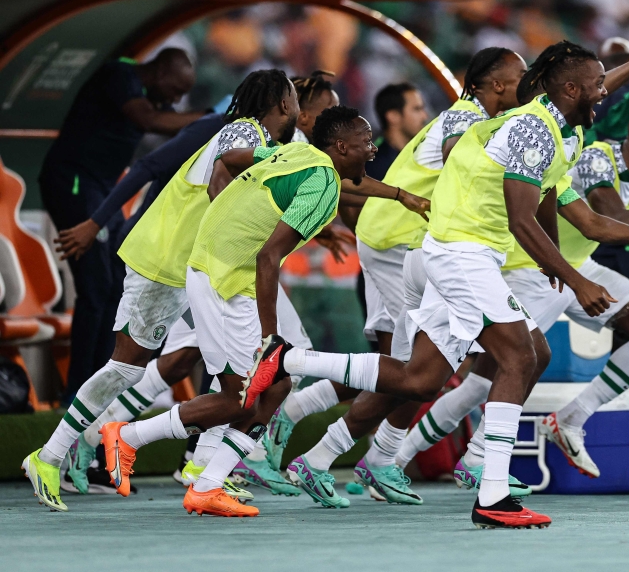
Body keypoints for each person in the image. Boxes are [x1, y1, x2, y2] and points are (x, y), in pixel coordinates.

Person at [97, 106, 430, 517]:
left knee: (274, 387)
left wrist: (400, 195)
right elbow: (269, 257)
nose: (373, 149)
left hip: (219, 271)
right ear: (341, 147)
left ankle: (206, 486)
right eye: (365, 142)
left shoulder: (299, 155)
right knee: (240, 399)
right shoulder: (321, 180)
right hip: (223, 281)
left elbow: (233, 159)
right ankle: (127, 436)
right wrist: (271, 338)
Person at [396, 105, 629, 483]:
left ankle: (571, 419)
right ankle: (403, 457)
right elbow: (608, 220)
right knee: (483, 381)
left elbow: (612, 227)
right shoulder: (594, 159)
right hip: (532, 269)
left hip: (576, 268)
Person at [22, 69, 301, 512]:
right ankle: (51, 455)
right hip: (166, 261)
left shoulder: (272, 145)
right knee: (127, 368)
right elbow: (226, 168)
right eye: (295, 97)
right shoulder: (245, 131)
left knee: (238, 378)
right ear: (284, 103)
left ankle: (205, 472)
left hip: (197, 270)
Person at [274, 47, 527, 507]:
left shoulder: (495, 121)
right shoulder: (464, 119)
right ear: (493, 85)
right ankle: (304, 400)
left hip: (416, 245)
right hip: (403, 246)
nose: (525, 83)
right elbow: (459, 159)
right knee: (417, 374)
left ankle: (337, 454)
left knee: (419, 374)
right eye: (518, 76)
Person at [39, 49, 204, 402]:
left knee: (115, 283)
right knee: (96, 288)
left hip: (102, 189)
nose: (174, 100)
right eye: (174, 90)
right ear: (158, 71)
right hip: (75, 182)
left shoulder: (150, 93)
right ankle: (76, 393)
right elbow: (148, 121)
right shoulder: (120, 74)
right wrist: (210, 118)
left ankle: (100, 387)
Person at [366, 82, 429, 181]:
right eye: (417, 109)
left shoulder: (424, 154)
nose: (425, 116)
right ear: (393, 116)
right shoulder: (374, 169)